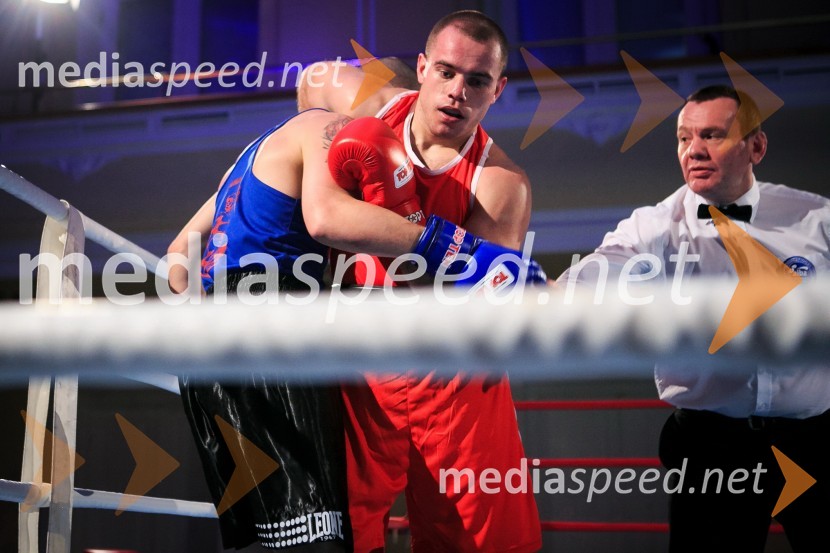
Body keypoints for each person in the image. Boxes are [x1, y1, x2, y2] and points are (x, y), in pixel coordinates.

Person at [167, 101, 545, 548]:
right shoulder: (330, 127)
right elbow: (327, 219)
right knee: (316, 532)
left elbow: (177, 259)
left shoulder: (248, 158)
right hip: (274, 321)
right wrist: (458, 249)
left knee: (269, 534)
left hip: (205, 352)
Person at [299, 10, 543, 553]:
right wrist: (319, 176)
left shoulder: (499, 185)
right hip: (363, 368)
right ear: (422, 68)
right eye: (447, 72)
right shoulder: (374, 105)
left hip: (452, 382)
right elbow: (312, 79)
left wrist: (394, 208)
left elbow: (459, 310)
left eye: (477, 80)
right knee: (343, 536)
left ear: (498, 89)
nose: (458, 91)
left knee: (474, 543)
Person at [558, 85, 830, 552]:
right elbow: (595, 274)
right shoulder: (654, 226)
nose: (694, 151)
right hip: (713, 444)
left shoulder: (816, 218)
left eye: (713, 135)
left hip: (813, 435)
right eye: (684, 138)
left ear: (756, 147)